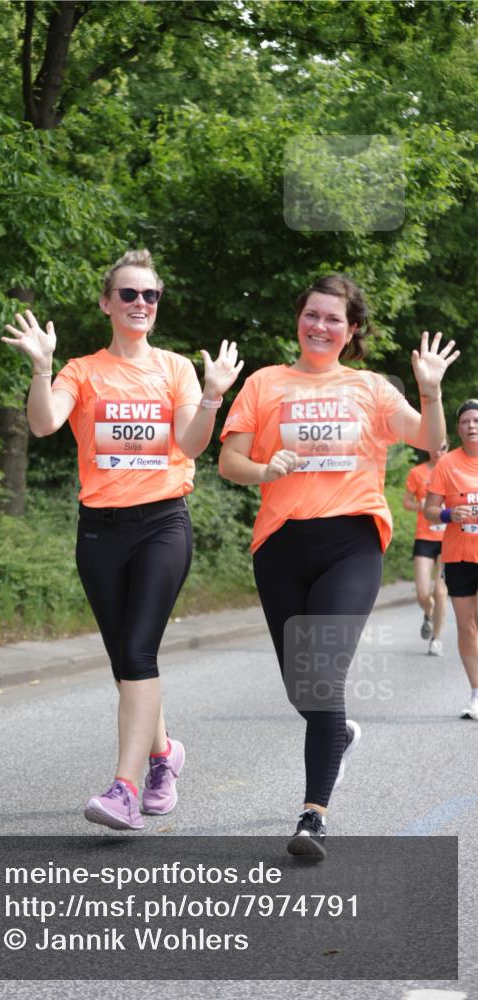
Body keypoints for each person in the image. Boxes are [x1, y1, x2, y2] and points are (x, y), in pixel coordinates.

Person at [218, 274, 458, 859]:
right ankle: (341, 734)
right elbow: (228, 461)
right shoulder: (265, 383)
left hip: (352, 542)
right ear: (298, 319)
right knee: (305, 689)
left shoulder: (371, 389)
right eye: (312, 315)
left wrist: (429, 391)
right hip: (279, 545)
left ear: (351, 331)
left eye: (334, 319)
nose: (320, 326)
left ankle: (312, 817)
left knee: (323, 680)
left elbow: (432, 440)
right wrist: (265, 470)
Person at [2, 249, 242, 831]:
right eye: (129, 295)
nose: (140, 304)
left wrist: (211, 396)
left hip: (162, 522)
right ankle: (164, 755)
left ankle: (124, 788)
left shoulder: (176, 368)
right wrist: (40, 368)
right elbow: (42, 424)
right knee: (124, 662)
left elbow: (189, 445)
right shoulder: (81, 371)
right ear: (107, 303)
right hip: (100, 529)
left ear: (158, 306)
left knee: (138, 653)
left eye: (150, 296)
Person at [425, 400, 478, 721]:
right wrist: (449, 513)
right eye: (466, 422)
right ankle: (475, 693)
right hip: (459, 556)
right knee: (466, 626)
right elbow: (430, 509)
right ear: (458, 428)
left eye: (476, 420)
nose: (472, 425)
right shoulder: (447, 464)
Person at [403, 443, 449, 654]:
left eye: (443, 447)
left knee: (440, 591)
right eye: (435, 446)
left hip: (449, 538)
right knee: (423, 593)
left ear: (448, 447)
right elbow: (406, 502)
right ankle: (428, 612)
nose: (438, 451)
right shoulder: (417, 472)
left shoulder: (455, 472)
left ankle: (436, 639)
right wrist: (419, 505)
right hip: (424, 536)